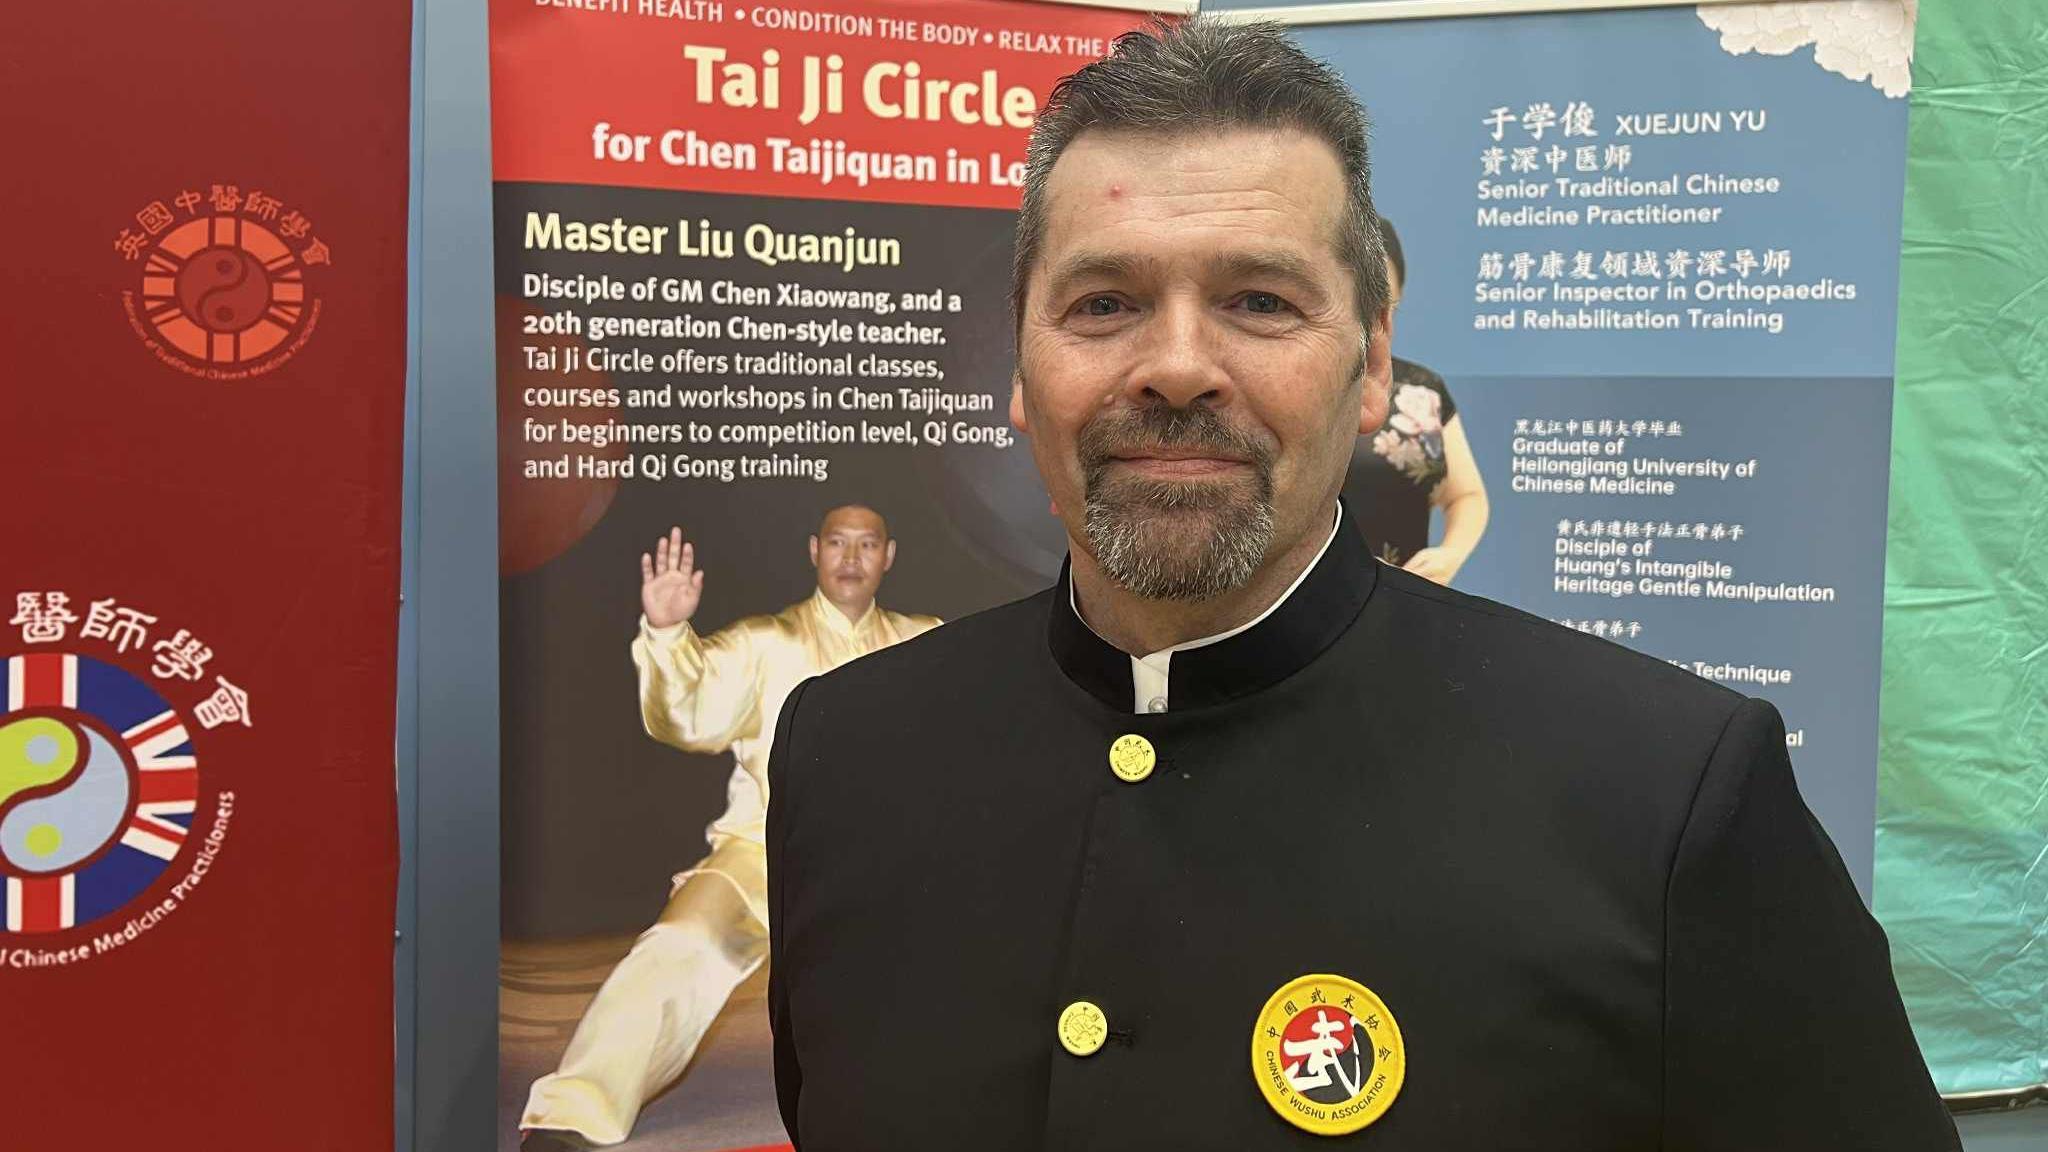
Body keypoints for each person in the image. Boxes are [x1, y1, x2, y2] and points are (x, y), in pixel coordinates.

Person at [763, 19, 1957, 1151]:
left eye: (1258, 302)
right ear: (1021, 366)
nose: (1176, 367)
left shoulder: (1666, 796)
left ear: (1375, 366)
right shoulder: (847, 752)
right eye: (1103, 303)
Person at [520, 505, 939, 1151]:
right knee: (681, 941)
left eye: (866, 544)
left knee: (958, 958)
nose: (851, 557)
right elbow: (686, 712)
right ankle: (573, 1109)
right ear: (813, 551)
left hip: (885, 862)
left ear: (889, 556)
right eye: (837, 542)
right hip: (760, 853)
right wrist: (666, 630)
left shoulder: (925, 642)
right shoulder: (763, 642)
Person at [1341, 217, 1489, 581]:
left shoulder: (1423, 391)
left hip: (1404, 605)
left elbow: (1467, 496)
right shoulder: (1289, 387)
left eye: (1383, 297)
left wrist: (1450, 555)